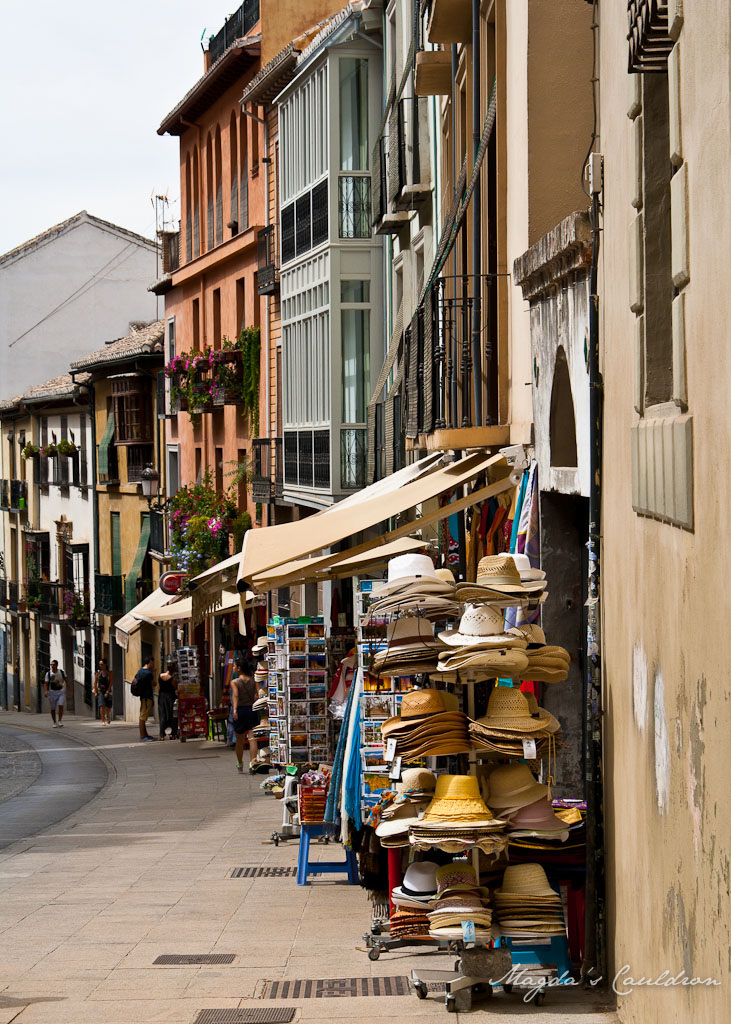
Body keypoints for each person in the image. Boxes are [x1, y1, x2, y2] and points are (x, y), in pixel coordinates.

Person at [231, 658, 258, 773]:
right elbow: (259, 692)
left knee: (239, 740)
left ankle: (240, 763)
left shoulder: (235, 682)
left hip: (241, 710)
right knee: (252, 738)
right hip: (252, 709)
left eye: (234, 666)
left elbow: (236, 696)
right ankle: (253, 763)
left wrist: (235, 710)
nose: (233, 668)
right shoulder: (254, 680)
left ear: (239, 668)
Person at [133, 656, 156, 742]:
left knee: (143, 716)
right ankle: (142, 736)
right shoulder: (148, 673)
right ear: (150, 662)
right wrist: (154, 673)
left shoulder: (140, 671)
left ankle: (145, 734)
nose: (153, 664)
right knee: (143, 717)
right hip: (147, 697)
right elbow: (154, 683)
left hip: (143, 696)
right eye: (153, 662)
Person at [157, 662, 178, 740]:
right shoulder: (173, 679)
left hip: (162, 697)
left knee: (162, 715)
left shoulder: (160, 675)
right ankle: (173, 734)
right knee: (173, 715)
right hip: (170, 697)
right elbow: (175, 688)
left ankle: (162, 735)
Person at [44, 660, 67, 728]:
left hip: (61, 691)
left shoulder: (61, 672)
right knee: (53, 708)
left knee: (60, 705)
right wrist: (46, 691)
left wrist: (69, 690)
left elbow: (67, 681)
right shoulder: (48, 674)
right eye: (51, 665)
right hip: (52, 692)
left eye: (53, 664)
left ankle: (59, 720)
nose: (52, 666)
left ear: (57, 665)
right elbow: (45, 683)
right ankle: (54, 722)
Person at [93, 658, 114, 726]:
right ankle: (102, 720)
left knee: (109, 706)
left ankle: (107, 714)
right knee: (101, 705)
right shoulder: (98, 673)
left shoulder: (109, 673)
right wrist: (95, 692)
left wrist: (107, 691)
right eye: (99, 664)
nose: (100, 666)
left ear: (105, 665)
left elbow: (111, 682)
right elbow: (95, 682)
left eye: (102, 664)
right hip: (100, 691)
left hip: (108, 690)